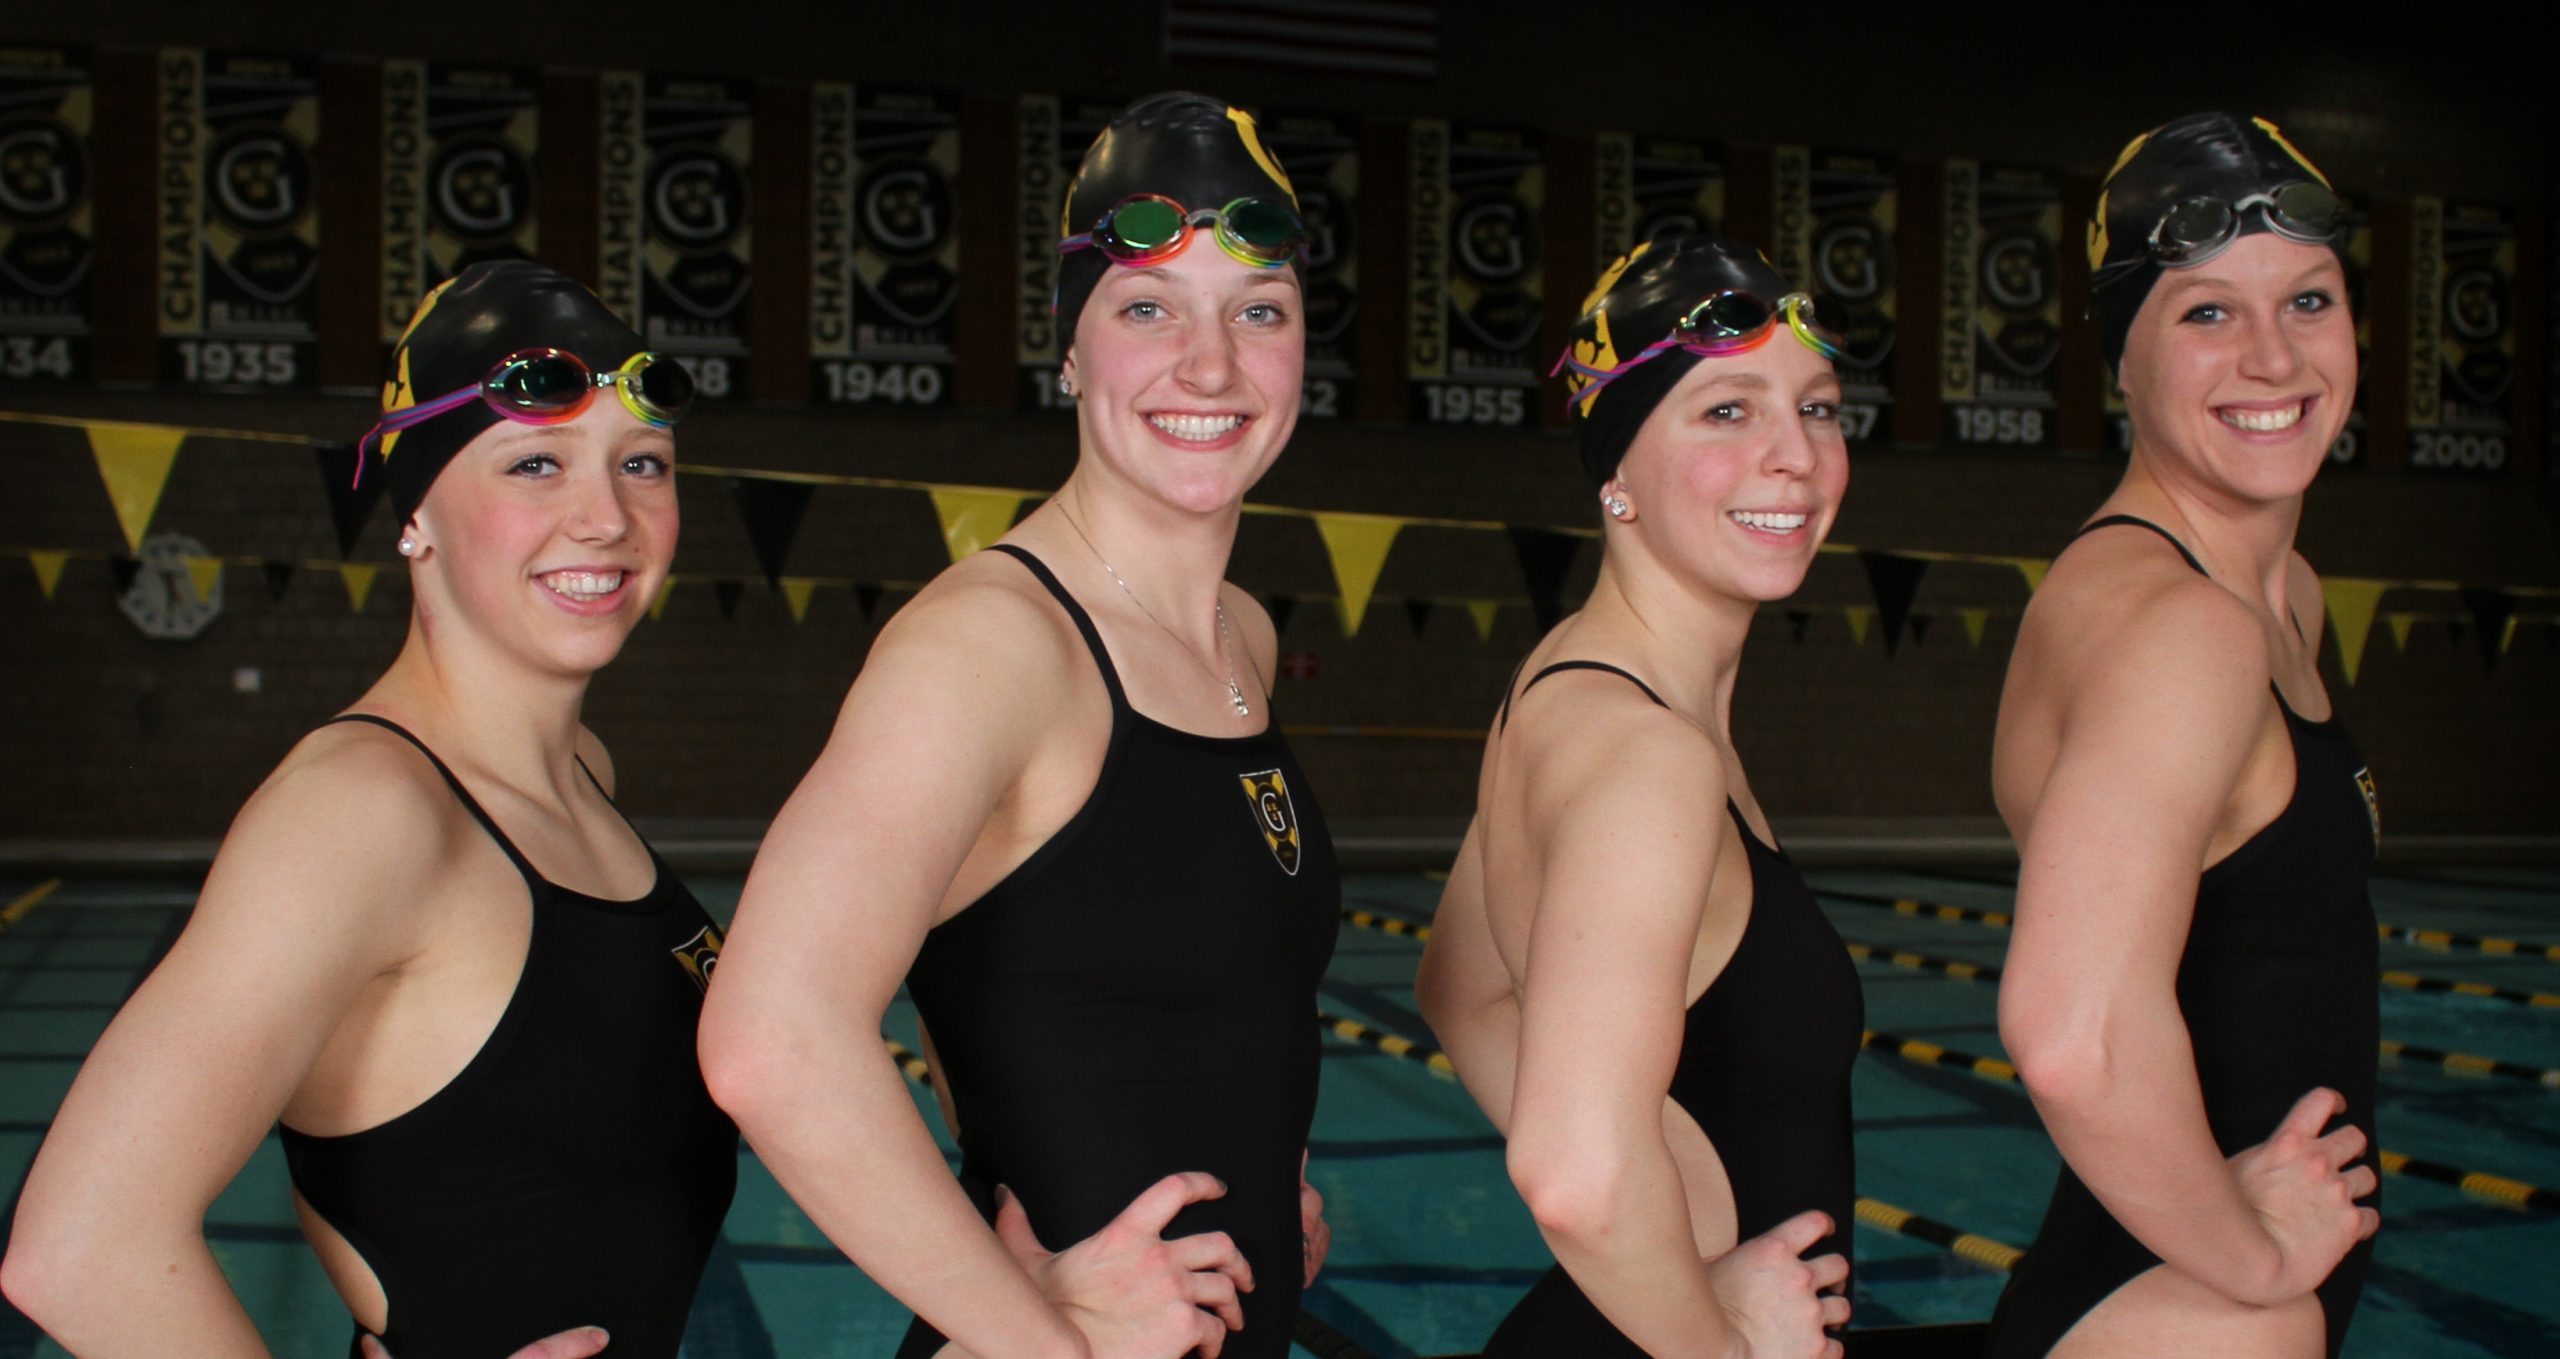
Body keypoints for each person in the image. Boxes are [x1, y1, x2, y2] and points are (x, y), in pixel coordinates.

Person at [1, 261, 737, 1358]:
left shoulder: (581, 767)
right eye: (535, 463)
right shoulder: (362, 813)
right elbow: (77, 1248)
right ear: (417, 514)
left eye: (643, 465)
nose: (607, 518)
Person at [697, 92, 1331, 1359]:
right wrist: (1041, 1335)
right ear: (1071, 348)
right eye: (1146, 309)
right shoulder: (991, 646)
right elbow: (768, 1040)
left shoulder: (1239, 635)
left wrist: (1273, 1165)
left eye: (1254, 311)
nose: (1209, 366)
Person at [1415, 237, 1859, 1359]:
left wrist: (1681, 1195)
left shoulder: (1571, 680)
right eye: (1725, 412)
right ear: (1615, 467)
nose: (1793, 459)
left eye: (1817, 409)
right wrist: (1716, 1333)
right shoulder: (1646, 757)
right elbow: (1573, 1179)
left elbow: (1461, 990)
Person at [1983, 113, 2383, 1359]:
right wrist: (2254, 1261)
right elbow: (2068, 1035)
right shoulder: (2182, 630)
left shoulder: (2278, 595)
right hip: (2186, 1314)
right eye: (2205, 313)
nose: (2272, 357)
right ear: (2122, 357)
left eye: (2306, 301)